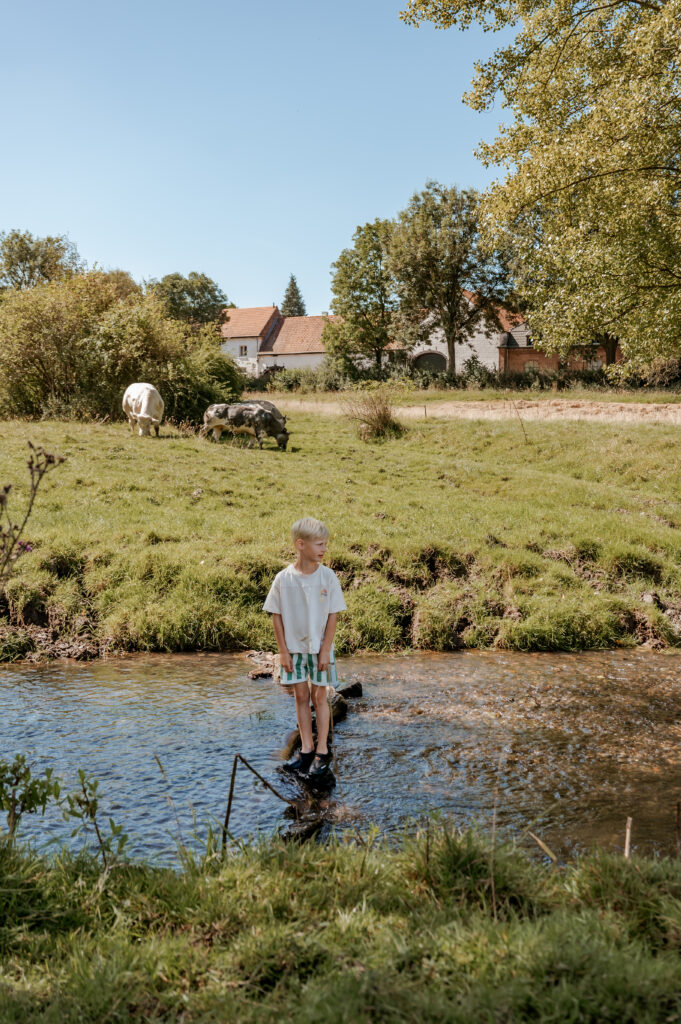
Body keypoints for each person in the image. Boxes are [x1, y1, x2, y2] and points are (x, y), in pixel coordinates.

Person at [263, 517, 346, 779]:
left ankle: (322, 751)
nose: (324, 549)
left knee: (320, 697)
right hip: (294, 649)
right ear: (301, 544)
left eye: (326, 544)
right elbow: (276, 615)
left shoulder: (328, 577)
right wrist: (283, 651)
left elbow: (333, 614)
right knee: (300, 696)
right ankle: (306, 750)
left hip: (320, 649)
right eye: (319, 544)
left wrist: (325, 650)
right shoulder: (283, 579)